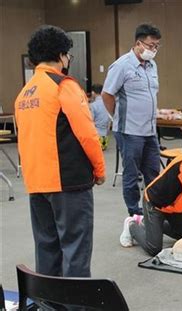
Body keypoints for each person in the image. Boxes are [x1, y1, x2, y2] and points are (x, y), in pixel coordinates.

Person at [14, 25, 106, 277]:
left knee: (46, 248)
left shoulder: (24, 94)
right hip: (68, 184)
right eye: (68, 55)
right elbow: (87, 134)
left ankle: (49, 304)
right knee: (75, 249)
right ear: (61, 55)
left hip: (37, 184)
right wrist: (99, 169)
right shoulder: (64, 86)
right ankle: (75, 305)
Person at [102, 24, 161, 216]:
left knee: (153, 173)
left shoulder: (152, 66)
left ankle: (154, 208)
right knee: (131, 175)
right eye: (151, 45)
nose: (153, 50)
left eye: (156, 46)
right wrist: (117, 117)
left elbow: (150, 95)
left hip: (150, 130)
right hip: (129, 131)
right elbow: (107, 94)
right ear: (138, 43)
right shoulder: (122, 65)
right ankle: (135, 213)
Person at [89, 84, 111, 150]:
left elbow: (90, 121)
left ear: (93, 93)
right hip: (104, 139)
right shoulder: (107, 103)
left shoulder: (93, 105)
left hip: (96, 139)